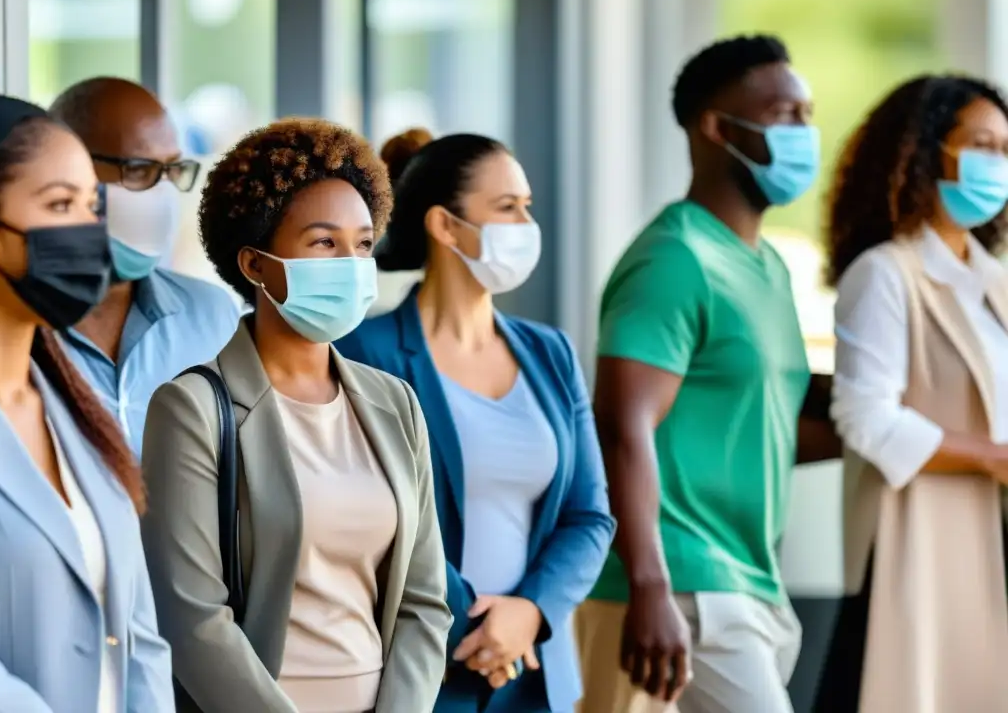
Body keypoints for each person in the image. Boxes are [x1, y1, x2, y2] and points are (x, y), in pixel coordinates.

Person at [140, 118, 451, 713]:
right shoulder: (192, 410)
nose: (351, 262)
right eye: (323, 242)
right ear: (256, 265)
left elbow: (424, 599)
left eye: (362, 244)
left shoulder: (396, 404)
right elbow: (193, 619)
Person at [575, 35, 839, 713]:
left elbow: (772, 426)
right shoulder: (674, 258)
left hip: (749, 581)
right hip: (680, 584)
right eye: (785, 114)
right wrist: (651, 588)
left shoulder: (768, 267)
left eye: (808, 114)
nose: (805, 132)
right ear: (718, 128)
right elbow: (621, 423)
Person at [335, 128, 616, 713]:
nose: (525, 225)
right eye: (507, 208)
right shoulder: (364, 350)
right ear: (444, 226)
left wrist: (531, 611)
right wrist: (476, 623)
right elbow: (368, 519)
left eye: (527, 208)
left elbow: (590, 514)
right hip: (425, 669)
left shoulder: (551, 354)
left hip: (533, 669)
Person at [815, 75, 1008, 712]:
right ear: (924, 151)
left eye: (1006, 150)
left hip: (990, 534)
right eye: (982, 145)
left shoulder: (994, 284)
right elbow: (865, 416)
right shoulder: (886, 274)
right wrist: (990, 457)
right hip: (917, 542)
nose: (997, 164)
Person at [0, 94, 173, 711]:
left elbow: (140, 637)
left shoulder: (75, 413)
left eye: (93, 207)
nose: (89, 233)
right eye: (59, 205)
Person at [49, 76, 240, 455]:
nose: (162, 192)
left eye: (171, 171)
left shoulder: (214, 318)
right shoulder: (14, 327)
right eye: (139, 169)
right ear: (62, 169)